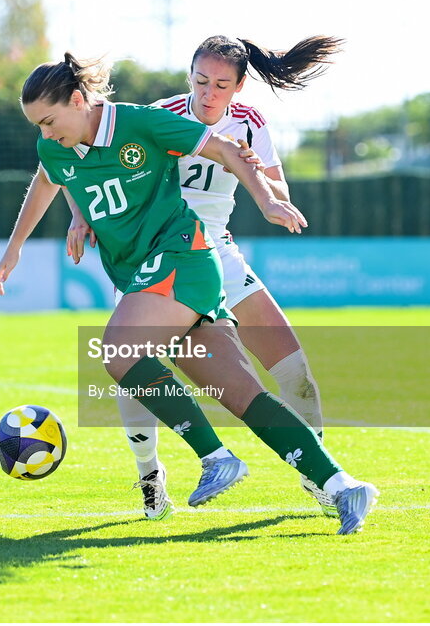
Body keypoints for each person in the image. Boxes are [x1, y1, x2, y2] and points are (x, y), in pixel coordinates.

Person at [0, 52, 378, 535]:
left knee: (118, 351)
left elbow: (226, 150)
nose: (44, 134)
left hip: (183, 255)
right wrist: (17, 247)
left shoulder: (142, 122)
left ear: (77, 99)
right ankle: (344, 487)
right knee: (243, 394)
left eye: (49, 121)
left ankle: (215, 456)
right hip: (146, 275)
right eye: (37, 126)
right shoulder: (54, 146)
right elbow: (51, 178)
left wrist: (266, 202)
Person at [66, 35, 343, 521]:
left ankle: (317, 475)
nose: (208, 93)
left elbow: (277, 187)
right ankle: (150, 476)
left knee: (294, 369)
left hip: (220, 252)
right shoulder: (162, 113)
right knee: (133, 370)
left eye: (220, 85)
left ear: (237, 88)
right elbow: (77, 159)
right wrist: (79, 215)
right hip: (156, 256)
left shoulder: (252, 123)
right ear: (188, 77)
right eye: (199, 81)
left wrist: (259, 174)